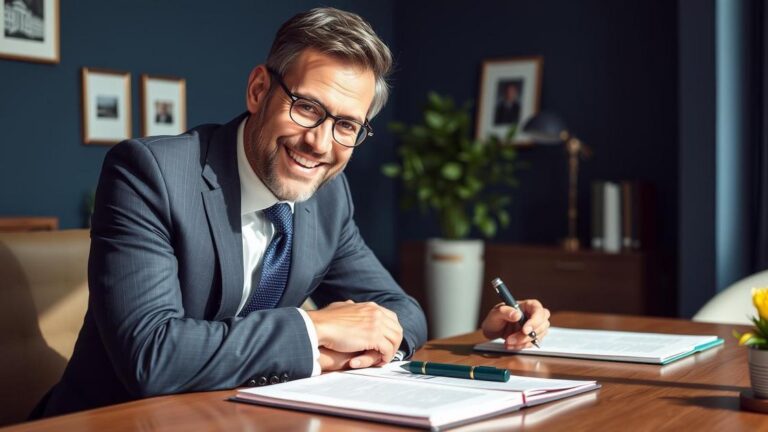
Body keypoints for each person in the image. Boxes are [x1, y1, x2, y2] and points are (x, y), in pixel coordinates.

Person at [33, 7, 549, 418]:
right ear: (259, 90)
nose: (320, 143)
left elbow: (401, 311)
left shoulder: (329, 197)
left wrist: (361, 346)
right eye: (307, 108)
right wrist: (313, 333)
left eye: (347, 126)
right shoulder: (150, 174)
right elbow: (152, 355)